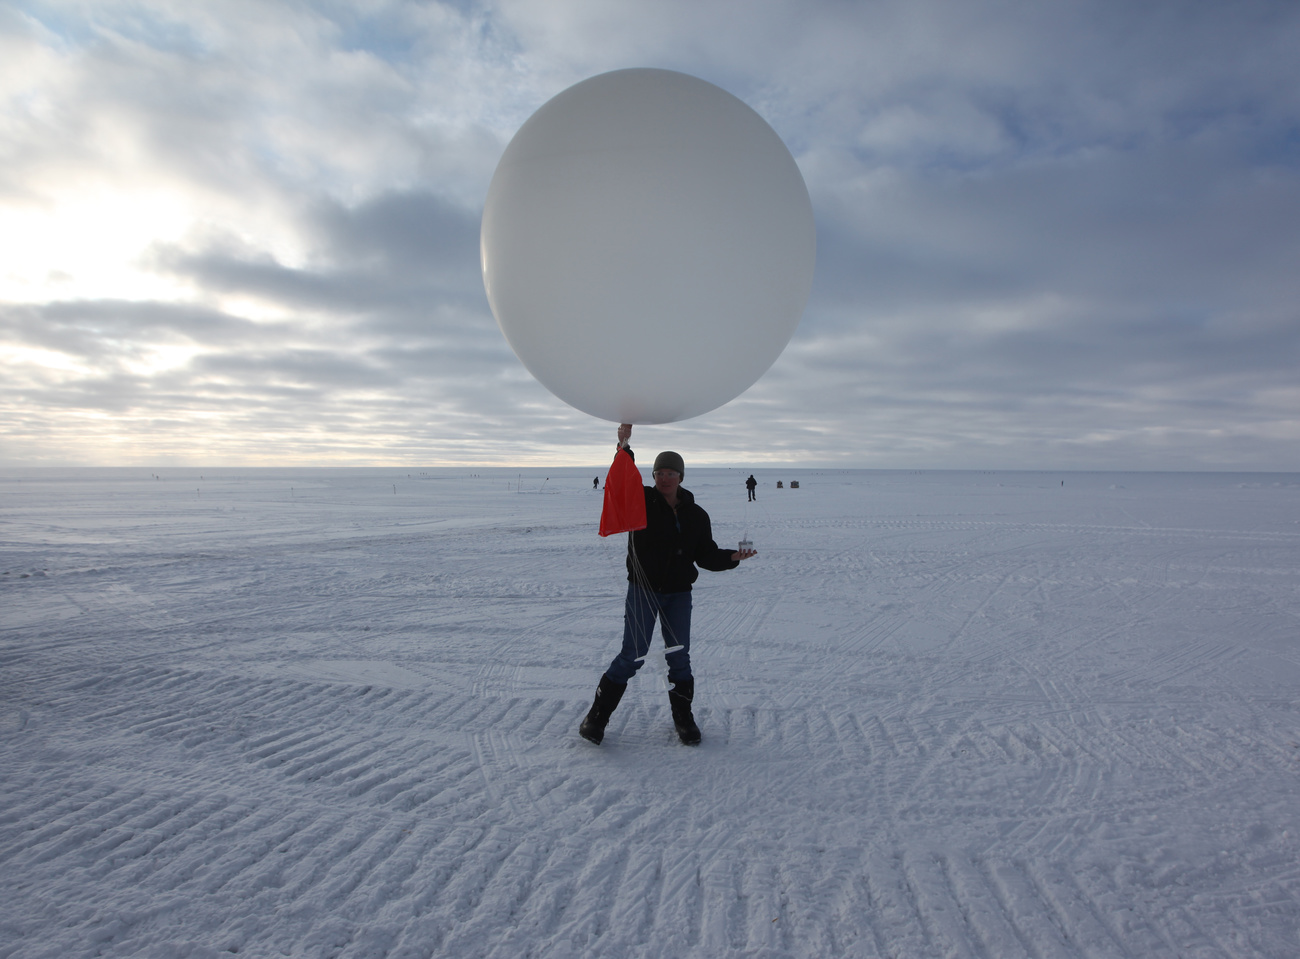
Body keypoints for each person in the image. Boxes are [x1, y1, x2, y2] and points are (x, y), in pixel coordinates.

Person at [580, 424, 757, 746]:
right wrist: (624, 445)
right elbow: (623, 478)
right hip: (643, 591)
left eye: (671, 473)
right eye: (659, 472)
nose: (664, 478)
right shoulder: (640, 502)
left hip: (678, 595)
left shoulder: (696, 515)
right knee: (632, 655)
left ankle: (683, 720)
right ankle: (596, 718)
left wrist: (733, 557)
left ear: (681, 477)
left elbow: (705, 555)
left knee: (679, 657)